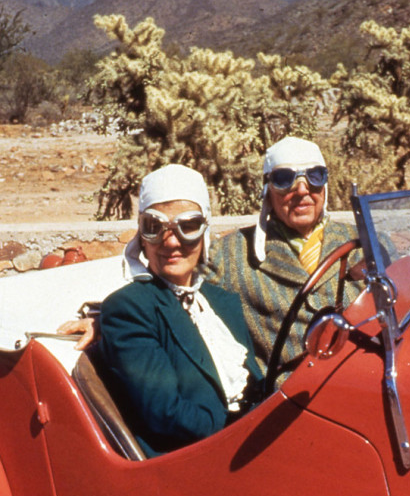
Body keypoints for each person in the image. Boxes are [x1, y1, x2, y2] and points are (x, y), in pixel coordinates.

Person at [95, 164, 263, 458]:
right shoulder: (129, 309)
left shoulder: (221, 303)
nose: (171, 242)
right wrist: (242, 435)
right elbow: (166, 413)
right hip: (195, 459)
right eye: (155, 227)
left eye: (188, 226)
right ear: (142, 237)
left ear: (204, 232)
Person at [204, 136, 363, 377]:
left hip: (363, 384)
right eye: (284, 179)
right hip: (288, 395)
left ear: (325, 185)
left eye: (315, 176)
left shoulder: (365, 245)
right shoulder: (230, 256)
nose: (302, 190)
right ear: (267, 190)